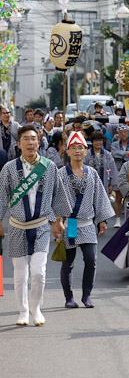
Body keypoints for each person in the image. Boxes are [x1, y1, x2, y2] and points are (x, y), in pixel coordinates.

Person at [0, 124, 71, 325]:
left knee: (39, 272)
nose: (30, 143)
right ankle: (22, 311)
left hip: (41, 226)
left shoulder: (48, 167)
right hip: (16, 227)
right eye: (26, 139)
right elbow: (1, 197)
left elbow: (58, 195)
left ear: (39, 142)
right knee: (20, 275)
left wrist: (59, 221)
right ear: (19, 143)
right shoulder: (9, 168)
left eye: (33, 139)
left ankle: (36, 308)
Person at [59, 131, 115, 308]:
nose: (77, 151)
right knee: (68, 262)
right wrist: (57, 221)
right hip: (70, 224)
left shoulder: (92, 174)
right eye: (73, 148)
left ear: (85, 151)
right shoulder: (60, 174)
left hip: (88, 223)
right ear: (67, 152)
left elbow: (99, 197)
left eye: (80, 148)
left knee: (91, 259)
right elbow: (53, 200)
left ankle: (87, 296)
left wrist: (102, 220)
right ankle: (69, 297)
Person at [84, 130, 119, 200]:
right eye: (96, 140)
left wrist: (112, 185)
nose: (98, 143)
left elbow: (113, 170)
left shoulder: (107, 154)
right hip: (89, 185)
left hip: (105, 184)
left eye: (100, 140)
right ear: (92, 141)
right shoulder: (87, 154)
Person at [111, 125, 129, 228]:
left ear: (128, 133)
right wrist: (126, 153)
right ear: (118, 134)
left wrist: (124, 154)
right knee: (118, 197)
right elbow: (114, 154)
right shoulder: (114, 144)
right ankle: (117, 219)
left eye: (125, 132)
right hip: (118, 172)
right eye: (121, 132)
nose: (123, 134)